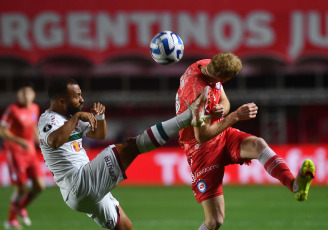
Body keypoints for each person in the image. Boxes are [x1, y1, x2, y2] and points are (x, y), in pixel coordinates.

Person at [37, 77, 207, 230]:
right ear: (61, 100)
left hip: (80, 191)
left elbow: (99, 135)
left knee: (125, 227)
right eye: (77, 96)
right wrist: (76, 118)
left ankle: (188, 117)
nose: (82, 100)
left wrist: (101, 117)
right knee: (131, 146)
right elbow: (54, 141)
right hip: (79, 182)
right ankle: (188, 116)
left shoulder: (69, 117)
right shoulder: (49, 119)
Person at [175, 52, 316, 230]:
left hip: (222, 133)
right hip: (201, 149)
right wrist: (235, 116)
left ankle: (294, 186)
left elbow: (224, 101)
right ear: (225, 78)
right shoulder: (198, 94)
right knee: (215, 221)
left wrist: (220, 110)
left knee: (258, 145)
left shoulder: (206, 66)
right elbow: (201, 136)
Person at [0, 82, 45, 229]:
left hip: (30, 152)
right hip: (15, 152)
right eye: (23, 93)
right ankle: (10, 220)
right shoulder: (12, 110)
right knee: (21, 188)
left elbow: (33, 125)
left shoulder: (34, 108)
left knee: (39, 186)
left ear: (33, 95)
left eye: (28, 93)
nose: (26, 96)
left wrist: (39, 141)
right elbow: (3, 131)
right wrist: (19, 141)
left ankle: (20, 208)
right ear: (18, 95)